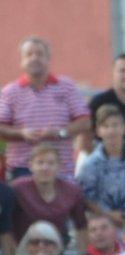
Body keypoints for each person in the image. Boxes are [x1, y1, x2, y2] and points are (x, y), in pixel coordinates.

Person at [0, 37, 91, 181]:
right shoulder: (9, 92)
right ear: (22, 60)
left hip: (61, 168)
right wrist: (21, 134)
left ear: (48, 58)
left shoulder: (67, 87)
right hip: (23, 169)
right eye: (29, 55)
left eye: (39, 54)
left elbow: (85, 121)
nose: (34, 58)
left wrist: (60, 132)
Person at [78, 104, 125, 224]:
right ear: (98, 131)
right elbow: (86, 198)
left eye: (115, 125)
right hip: (105, 224)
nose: (111, 131)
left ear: (124, 128)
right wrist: (108, 215)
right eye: (106, 126)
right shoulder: (91, 164)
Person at [10, 143, 87, 251]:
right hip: (23, 250)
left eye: (51, 163)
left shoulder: (72, 192)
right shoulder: (17, 189)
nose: (45, 168)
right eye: (40, 163)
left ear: (59, 166)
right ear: (30, 165)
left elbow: (81, 226)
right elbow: (5, 226)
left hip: (56, 250)